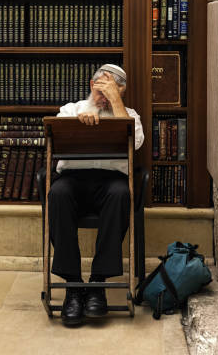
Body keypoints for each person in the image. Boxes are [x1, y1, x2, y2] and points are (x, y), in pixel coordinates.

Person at [49, 64, 144, 326]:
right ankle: (73, 286)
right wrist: (77, 123)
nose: (103, 95)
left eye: (111, 90)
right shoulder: (71, 109)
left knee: (121, 192)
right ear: (91, 86)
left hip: (110, 185)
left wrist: (115, 102)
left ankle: (97, 284)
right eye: (101, 88)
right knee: (57, 192)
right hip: (73, 182)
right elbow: (54, 137)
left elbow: (135, 143)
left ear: (122, 91)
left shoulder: (130, 115)